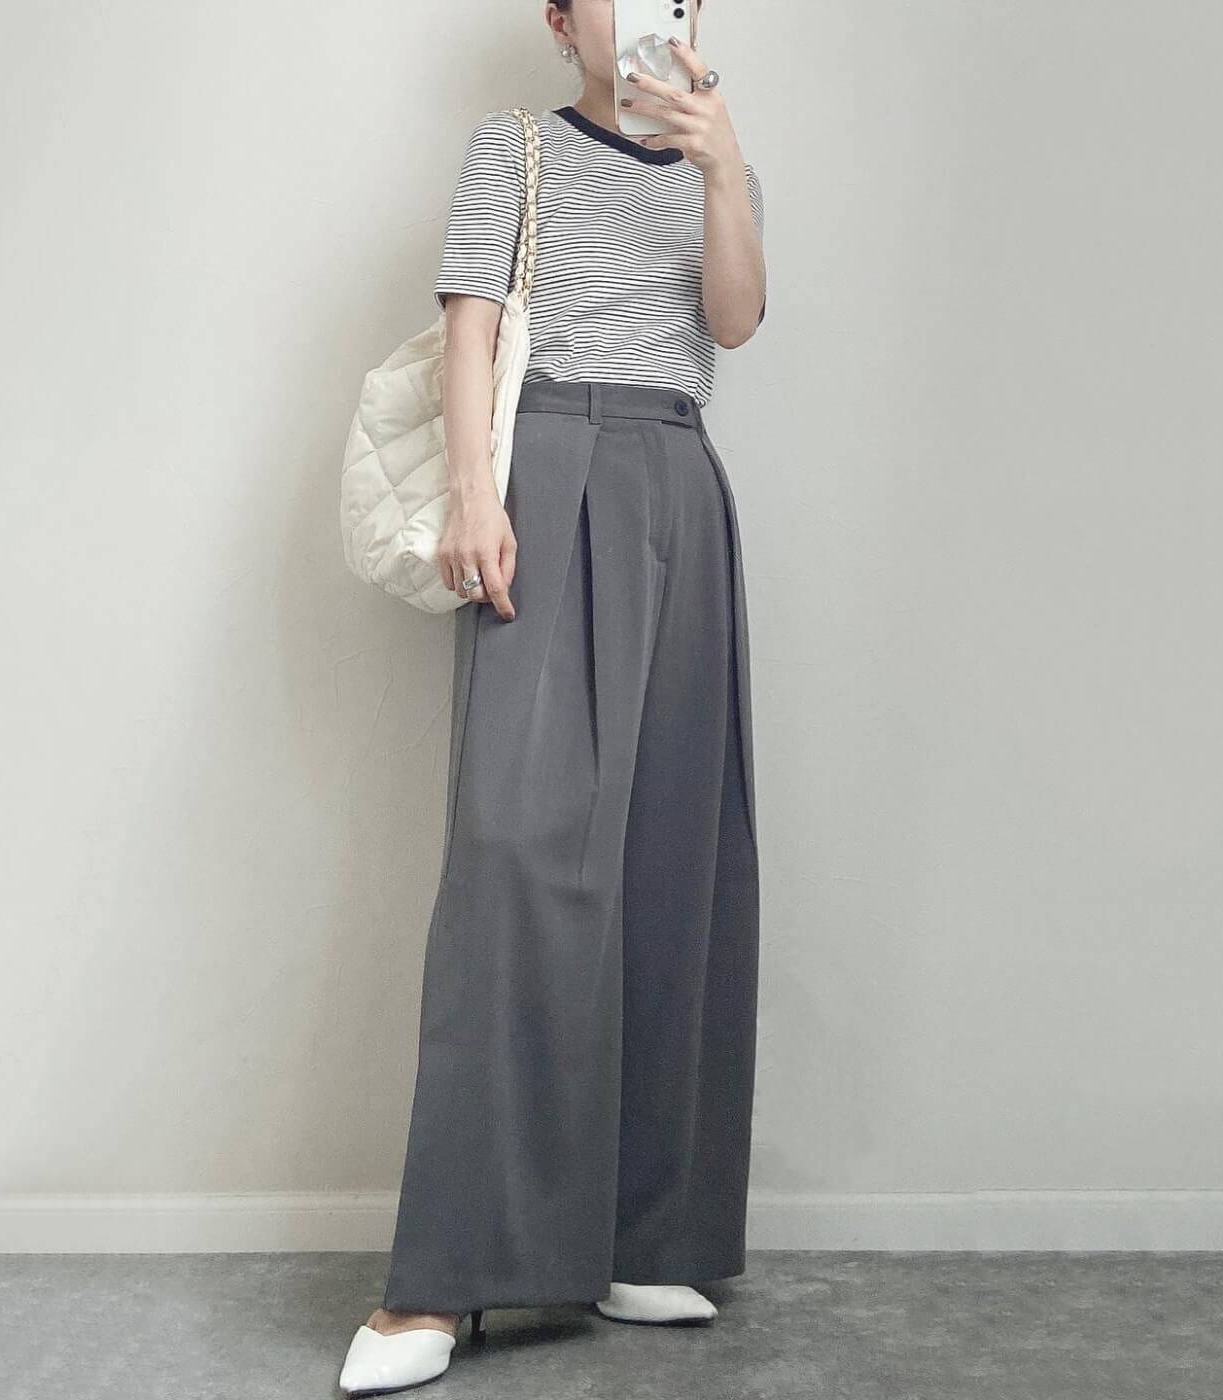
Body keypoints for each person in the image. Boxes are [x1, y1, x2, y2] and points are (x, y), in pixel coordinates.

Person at [339, 1, 766, 1392]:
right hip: (550, 471)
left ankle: (643, 1236)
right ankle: (443, 1279)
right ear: (562, 18)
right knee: (512, 857)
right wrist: (479, 495)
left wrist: (722, 168)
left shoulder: (722, 161)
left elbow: (734, 322)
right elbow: (470, 333)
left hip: (677, 483)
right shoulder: (511, 146)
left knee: (672, 859)